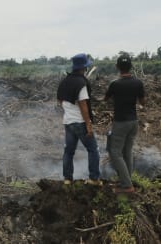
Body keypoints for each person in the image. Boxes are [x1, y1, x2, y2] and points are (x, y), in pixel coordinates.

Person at [57, 53, 102, 186]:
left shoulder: (65, 81)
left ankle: (67, 179)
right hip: (80, 122)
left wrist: (68, 109)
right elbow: (83, 105)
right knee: (93, 149)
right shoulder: (81, 83)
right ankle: (94, 178)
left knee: (69, 152)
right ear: (84, 68)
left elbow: (60, 99)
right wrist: (88, 124)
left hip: (68, 122)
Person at [104, 54, 145, 193]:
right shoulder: (138, 83)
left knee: (115, 152)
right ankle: (126, 180)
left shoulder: (115, 84)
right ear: (131, 67)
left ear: (117, 67)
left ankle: (127, 186)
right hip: (134, 121)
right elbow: (142, 102)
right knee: (127, 151)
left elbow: (106, 98)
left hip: (120, 122)